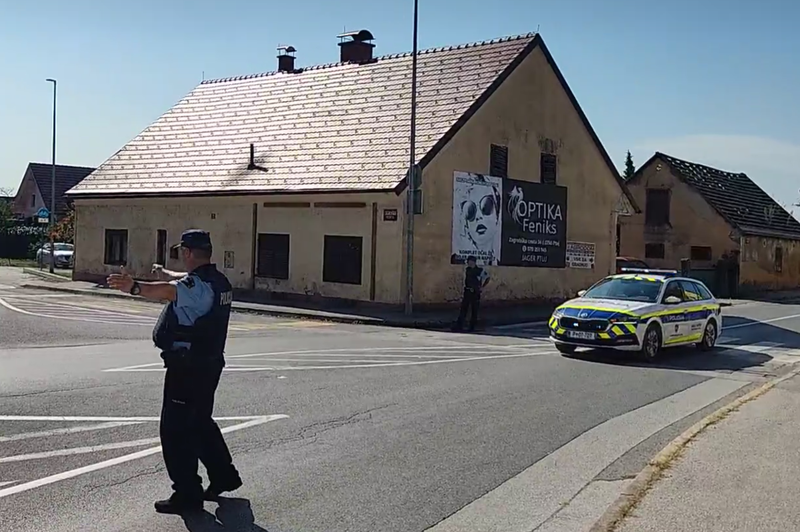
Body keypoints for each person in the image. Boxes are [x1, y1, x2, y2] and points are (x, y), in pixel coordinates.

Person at [107, 229, 242, 515]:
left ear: (188, 253)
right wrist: (162, 271)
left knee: (176, 431)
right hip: (209, 363)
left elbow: (171, 290)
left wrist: (135, 287)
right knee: (200, 422)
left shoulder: (195, 287)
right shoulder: (218, 281)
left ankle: (187, 493)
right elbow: (179, 281)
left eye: (183, 252)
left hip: (187, 367)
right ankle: (224, 475)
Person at [453, 255, 490, 332]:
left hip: (475, 292)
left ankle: (472, 327)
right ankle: (459, 325)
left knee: (474, 310)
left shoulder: (479, 270)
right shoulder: (468, 270)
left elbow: (487, 277)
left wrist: (482, 287)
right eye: (468, 261)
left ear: (473, 262)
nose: (468, 263)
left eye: (469, 261)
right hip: (467, 291)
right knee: (463, 309)